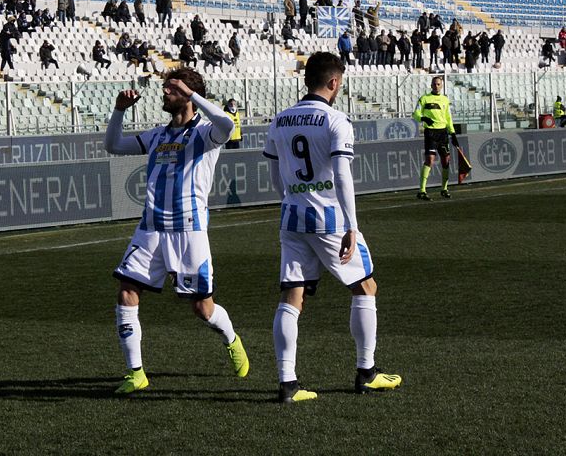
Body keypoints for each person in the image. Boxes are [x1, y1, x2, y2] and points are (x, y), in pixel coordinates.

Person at [263, 51, 402, 403]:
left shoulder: (279, 120)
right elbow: (342, 175)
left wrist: (292, 199)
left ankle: (287, 383)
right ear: (334, 82)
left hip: (292, 217)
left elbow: (274, 175)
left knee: (291, 296)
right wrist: (352, 226)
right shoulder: (335, 119)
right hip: (329, 219)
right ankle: (367, 373)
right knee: (365, 287)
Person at [103, 68, 249, 395]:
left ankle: (231, 338)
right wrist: (119, 110)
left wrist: (193, 94)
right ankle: (135, 372)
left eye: (170, 89)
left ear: (186, 92)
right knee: (127, 290)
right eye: (165, 88)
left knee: (202, 308)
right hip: (151, 228)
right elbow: (113, 145)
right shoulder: (157, 135)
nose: (164, 94)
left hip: (189, 230)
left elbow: (228, 125)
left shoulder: (205, 133)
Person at [413, 76, 458, 200]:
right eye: (434, 84)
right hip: (431, 133)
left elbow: (448, 117)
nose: (436, 86)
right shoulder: (424, 98)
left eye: (439, 84)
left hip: (443, 133)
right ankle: (422, 190)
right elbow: (415, 114)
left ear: (442, 85)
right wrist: (423, 118)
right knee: (430, 160)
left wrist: (452, 133)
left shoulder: (445, 100)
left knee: (446, 161)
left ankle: (444, 189)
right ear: (431, 85)